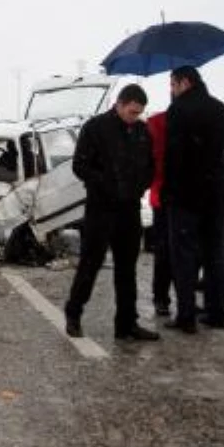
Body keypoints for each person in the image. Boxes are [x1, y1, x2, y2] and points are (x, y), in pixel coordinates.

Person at [64, 84, 158, 340]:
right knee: (90, 264)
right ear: (119, 104)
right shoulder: (95, 128)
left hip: (129, 210)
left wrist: (140, 185)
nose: (134, 116)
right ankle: (73, 314)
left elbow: (151, 166)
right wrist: (105, 183)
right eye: (131, 111)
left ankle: (126, 324)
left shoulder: (141, 132)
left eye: (138, 113)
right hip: (101, 209)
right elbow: (79, 165)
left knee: (127, 269)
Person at [163, 65, 224, 333]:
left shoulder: (179, 110)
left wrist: (170, 191)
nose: (171, 90)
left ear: (184, 82)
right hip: (215, 195)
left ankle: (186, 316)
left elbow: (174, 157)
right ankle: (217, 313)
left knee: (184, 258)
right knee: (214, 255)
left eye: (172, 84)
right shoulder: (220, 109)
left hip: (186, 197)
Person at [146, 110, 173, 317]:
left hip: (167, 195)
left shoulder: (155, 122)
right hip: (165, 194)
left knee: (167, 250)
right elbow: (150, 159)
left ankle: (162, 298)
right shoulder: (157, 122)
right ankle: (162, 298)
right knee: (170, 251)